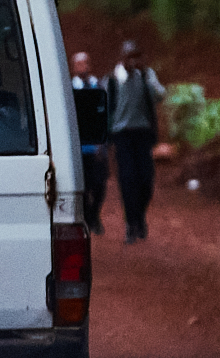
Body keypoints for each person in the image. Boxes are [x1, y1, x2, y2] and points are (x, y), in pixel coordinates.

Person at [108, 39, 170, 244]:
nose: (133, 61)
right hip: (122, 135)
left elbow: (160, 95)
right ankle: (131, 223)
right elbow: (106, 108)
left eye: (136, 56)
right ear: (122, 58)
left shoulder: (146, 76)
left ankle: (140, 216)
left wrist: (147, 78)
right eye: (129, 57)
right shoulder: (113, 80)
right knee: (128, 181)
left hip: (142, 134)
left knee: (146, 179)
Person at [69, 50, 113, 235]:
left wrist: (104, 142)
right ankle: (89, 218)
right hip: (79, 148)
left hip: (97, 147)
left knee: (100, 185)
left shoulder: (98, 86)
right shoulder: (70, 89)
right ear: (74, 67)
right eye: (79, 64)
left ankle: (94, 215)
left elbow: (105, 114)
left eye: (86, 63)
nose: (83, 67)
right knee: (84, 187)